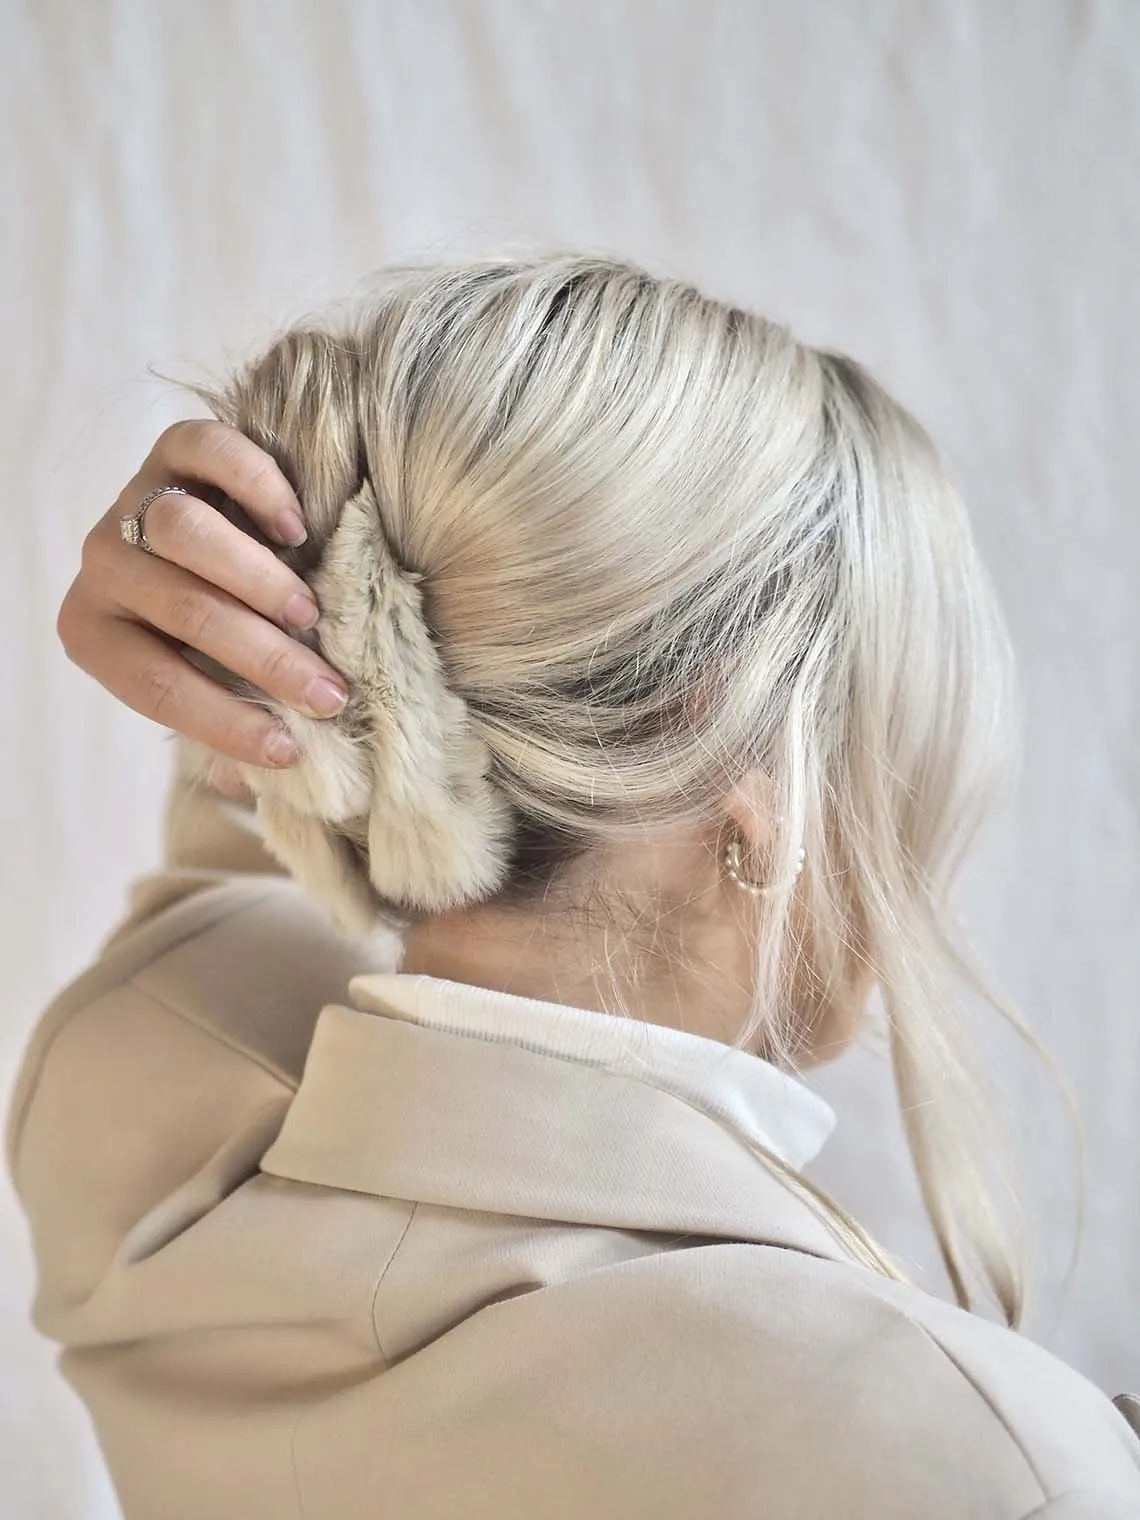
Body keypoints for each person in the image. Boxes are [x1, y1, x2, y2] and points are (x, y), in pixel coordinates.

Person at [8, 255, 1140, 1518]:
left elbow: (225, 889)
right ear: (753, 761)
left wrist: (260, 636)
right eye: (906, 745)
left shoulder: (135, 1152)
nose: (925, 840)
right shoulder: (979, 1464)